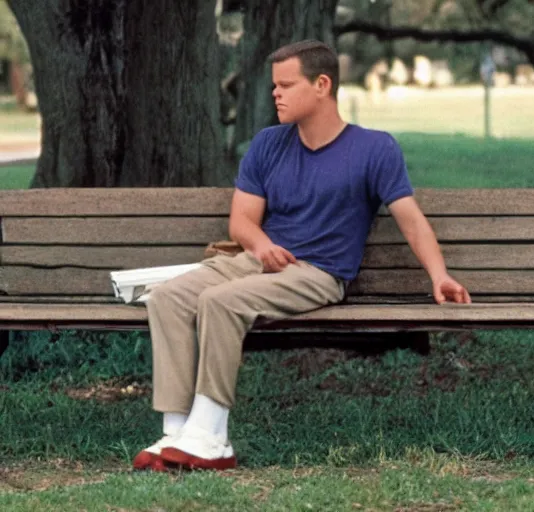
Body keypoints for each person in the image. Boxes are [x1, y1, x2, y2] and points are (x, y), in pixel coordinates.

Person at [133, 39, 471, 472]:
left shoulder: (374, 149)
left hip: (319, 272)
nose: (275, 94)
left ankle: (211, 437)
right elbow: (242, 222)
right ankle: (177, 433)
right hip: (256, 261)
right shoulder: (269, 144)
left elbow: (410, 218)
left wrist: (438, 275)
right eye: (274, 86)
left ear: (322, 85)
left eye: (286, 85)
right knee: (168, 297)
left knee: (220, 302)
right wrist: (261, 246)